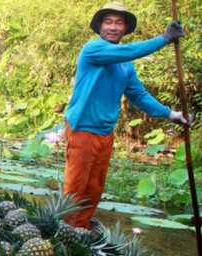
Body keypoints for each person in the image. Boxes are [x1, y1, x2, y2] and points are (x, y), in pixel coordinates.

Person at [63, 1, 190, 229]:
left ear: (125, 28)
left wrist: (171, 114)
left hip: (105, 133)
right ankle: (63, 232)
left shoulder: (125, 66)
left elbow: (139, 95)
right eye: (108, 22)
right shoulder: (93, 49)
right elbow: (128, 50)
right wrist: (164, 38)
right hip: (82, 128)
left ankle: (80, 232)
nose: (113, 27)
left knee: (94, 188)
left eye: (119, 23)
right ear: (100, 26)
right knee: (75, 187)